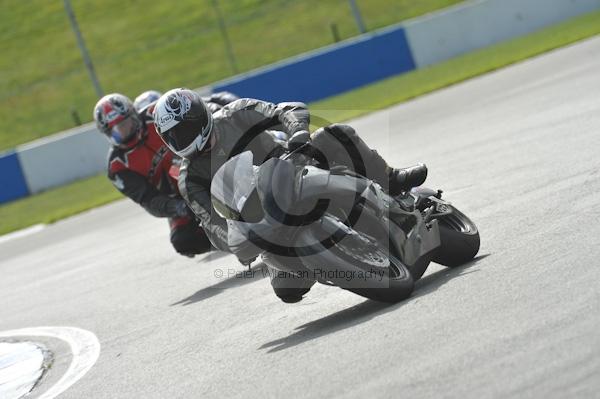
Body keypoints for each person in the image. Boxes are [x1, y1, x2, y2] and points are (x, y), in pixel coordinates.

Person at [152, 88, 427, 301]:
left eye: (184, 130)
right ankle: (338, 261)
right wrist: (236, 240)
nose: (181, 140)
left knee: (335, 134)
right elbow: (212, 223)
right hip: (261, 222)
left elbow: (285, 110)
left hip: (292, 169)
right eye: (173, 137)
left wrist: (297, 134)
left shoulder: (236, 113)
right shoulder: (189, 179)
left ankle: (391, 180)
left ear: (199, 117)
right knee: (288, 290)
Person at [92, 90, 239, 257]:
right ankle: (230, 242)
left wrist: (229, 105)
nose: (125, 131)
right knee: (182, 240)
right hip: (179, 198)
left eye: (126, 124)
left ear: (134, 114)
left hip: (204, 166)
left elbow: (203, 105)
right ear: (108, 135)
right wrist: (180, 207)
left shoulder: (154, 112)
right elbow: (149, 200)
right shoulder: (117, 167)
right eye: (117, 131)